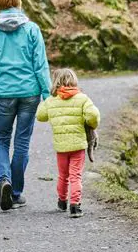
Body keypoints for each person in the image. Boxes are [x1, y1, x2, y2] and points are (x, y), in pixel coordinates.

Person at [0, 0, 51, 211]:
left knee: (1, 139)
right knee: (22, 143)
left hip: (3, 93)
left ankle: (4, 180)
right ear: (19, 2)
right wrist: (47, 94)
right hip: (30, 93)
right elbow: (40, 65)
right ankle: (16, 193)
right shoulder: (32, 29)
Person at [36, 68, 101, 218]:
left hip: (61, 147)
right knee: (76, 176)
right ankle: (75, 206)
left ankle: (62, 201)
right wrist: (90, 124)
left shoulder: (51, 100)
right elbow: (93, 115)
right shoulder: (82, 98)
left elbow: (40, 115)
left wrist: (48, 102)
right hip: (78, 146)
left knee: (63, 175)